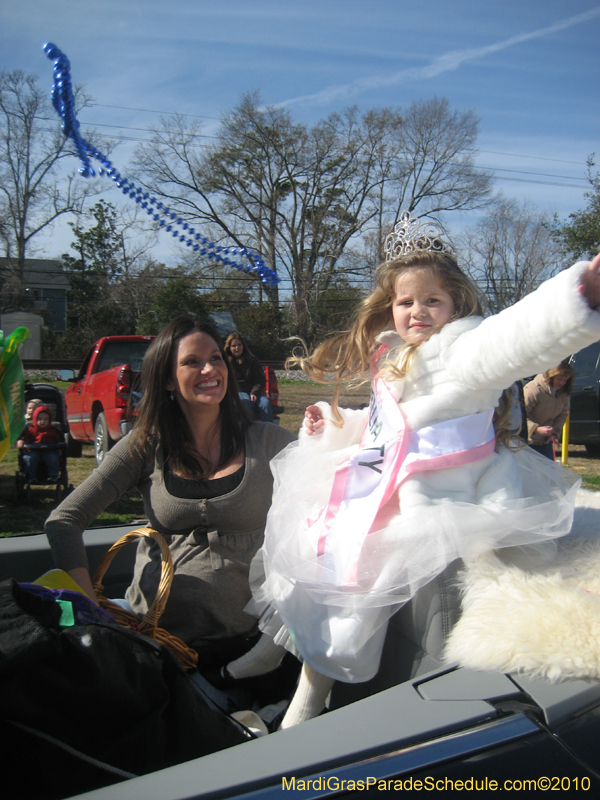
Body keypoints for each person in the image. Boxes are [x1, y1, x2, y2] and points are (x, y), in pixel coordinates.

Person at [225, 211, 600, 728]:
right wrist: (337, 421)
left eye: (432, 300)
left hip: (445, 498)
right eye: (406, 302)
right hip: (386, 479)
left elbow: (515, 337)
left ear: (456, 305)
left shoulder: (465, 350)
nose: (418, 311)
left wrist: (579, 296)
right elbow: (389, 426)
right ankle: (275, 645)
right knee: (309, 533)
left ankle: (307, 700)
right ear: (390, 307)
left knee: (358, 572)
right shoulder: (398, 357)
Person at [45, 318, 295, 669]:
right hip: (156, 647)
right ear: (166, 379)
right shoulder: (146, 445)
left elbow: (335, 484)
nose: (210, 368)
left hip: (249, 647)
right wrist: (90, 611)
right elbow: (64, 520)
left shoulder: (268, 442)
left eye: (216, 358)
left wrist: (324, 434)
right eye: (192, 362)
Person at [524, 363, 575, 460]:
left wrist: (555, 432)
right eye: (559, 379)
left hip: (545, 442)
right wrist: (536, 429)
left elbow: (563, 414)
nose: (562, 383)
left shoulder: (564, 393)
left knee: (549, 473)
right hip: (527, 443)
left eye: (565, 380)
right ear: (550, 376)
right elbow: (520, 417)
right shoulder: (533, 390)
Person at [225, 332, 274, 423]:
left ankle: (269, 431)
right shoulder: (226, 362)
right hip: (238, 392)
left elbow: (260, 380)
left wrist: (254, 393)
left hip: (254, 391)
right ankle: (249, 431)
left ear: (243, 346)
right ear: (229, 348)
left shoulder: (252, 360)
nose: (237, 348)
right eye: (234, 346)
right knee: (247, 403)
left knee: (265, 403)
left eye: (239, 345)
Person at [17, 405, 62, 482]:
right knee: (30, 458)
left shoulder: (54, 431)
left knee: (53, 458)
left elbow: (60, 440)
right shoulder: (30, 429)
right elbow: (23, 438)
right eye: (40, 419)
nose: (42, 421)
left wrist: (60, 448)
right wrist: (20, 441)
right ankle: (31, 476)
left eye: (45, 419)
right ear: (35, 419)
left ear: (50, 420)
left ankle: (53, 476)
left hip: (49, 451)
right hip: (33, 451)